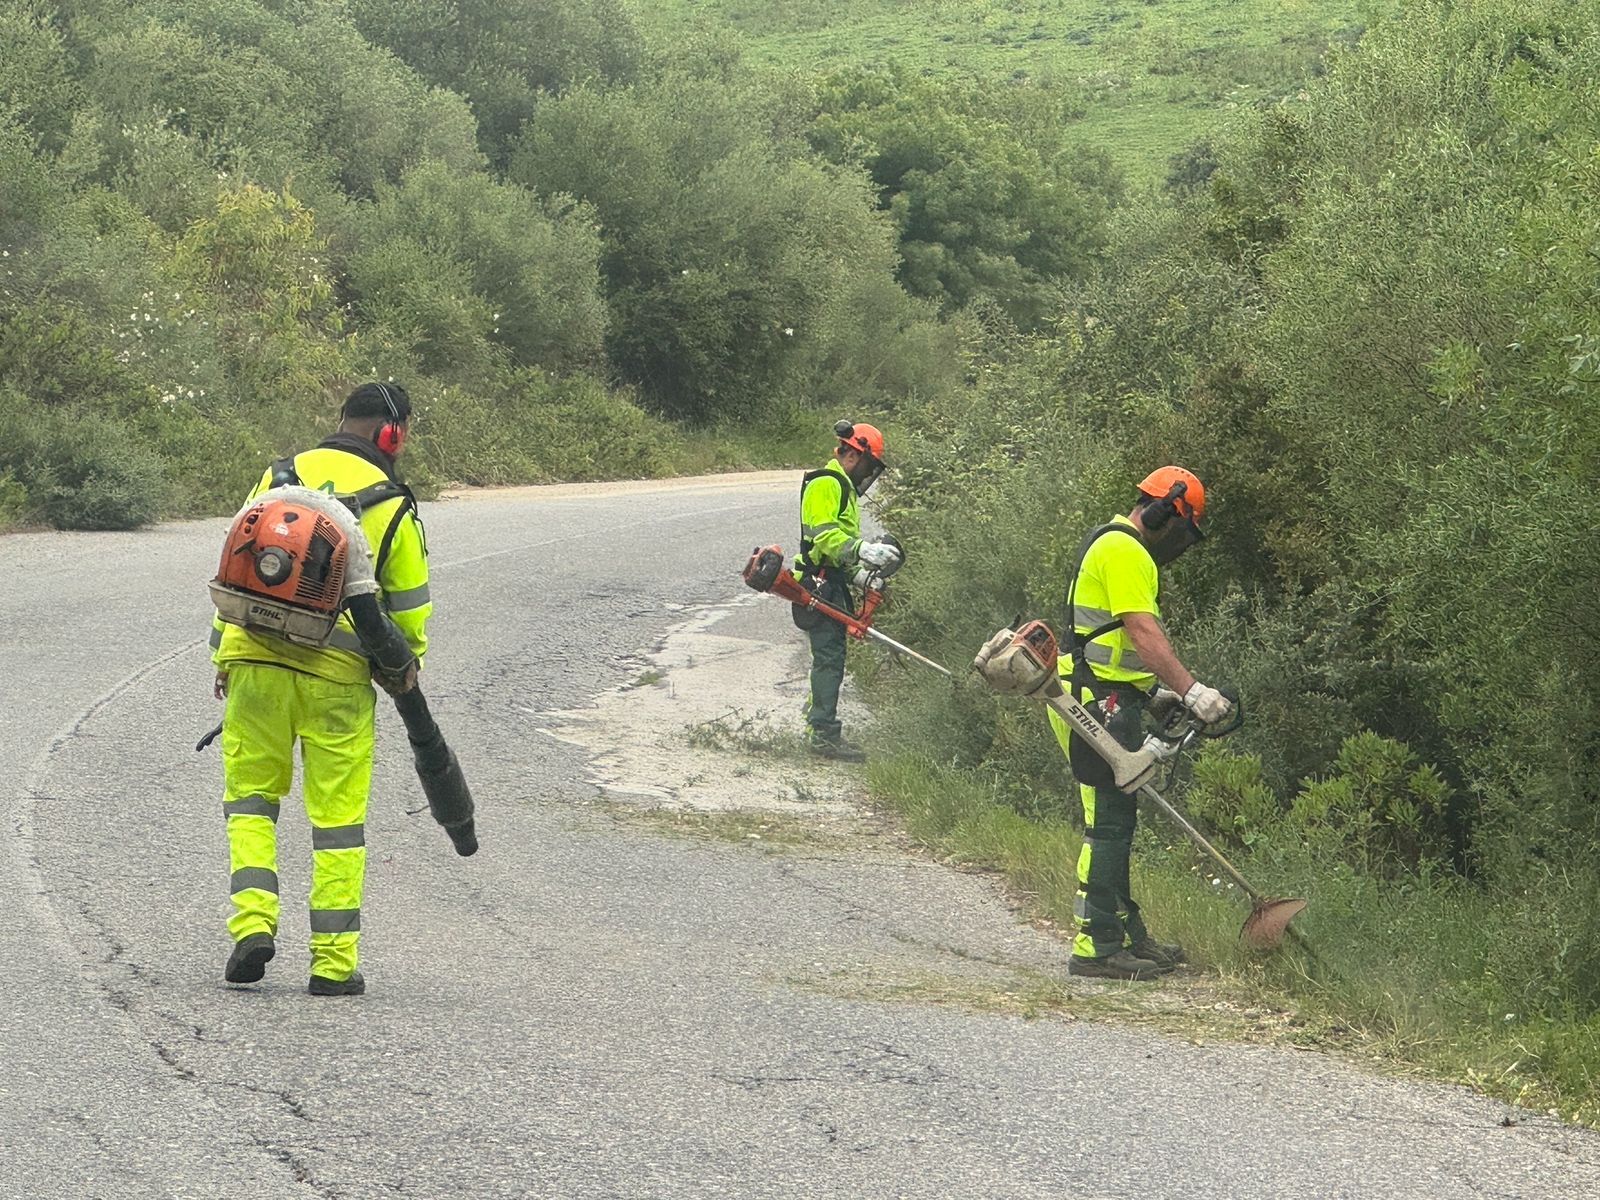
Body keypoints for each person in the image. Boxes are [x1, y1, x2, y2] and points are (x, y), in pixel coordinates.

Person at [211, 382, 431, 996]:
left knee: (251, 801)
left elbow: (234, 567)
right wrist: (404, 666)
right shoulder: (393, 504)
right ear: (392, 434)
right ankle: (332, 965)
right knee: (337, 824)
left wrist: (223, 654)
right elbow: (410, 610)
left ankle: (252, 924)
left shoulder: (277, 477)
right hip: (337, 681)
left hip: (254, 664)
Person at [1049, 466, 1236, 980]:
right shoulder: (1126, 549)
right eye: (1183, 528)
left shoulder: (1113, 542)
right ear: (1164, 513)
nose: (1180, 541)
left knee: (1119, 819)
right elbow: (1141, 632)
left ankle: (1127, 935)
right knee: (1108, 823)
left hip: (1104, 693)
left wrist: (1153, 695)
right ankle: (1096, 947)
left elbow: (1109, 642)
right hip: (1095, 700)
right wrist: (1192, 691)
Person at [794, 420, 901, 762]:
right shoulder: (826, 482)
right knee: (829, 658)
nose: (868, 474)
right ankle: (822, 735)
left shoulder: (843, 488)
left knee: (832, 657)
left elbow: (838, 552)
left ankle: (817, 723)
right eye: (869, 467)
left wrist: (861, 576)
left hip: (833, 581)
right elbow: (823, 537)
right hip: (819, 583)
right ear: (854, 455)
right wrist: (862, 550)